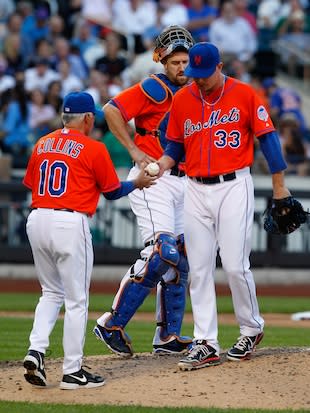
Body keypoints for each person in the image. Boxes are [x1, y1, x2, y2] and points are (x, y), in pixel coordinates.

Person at [158, 42, 292, 370]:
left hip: (234, 185)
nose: (198, 80)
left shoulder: (244, 94)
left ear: (219, 67)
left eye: (204, 74)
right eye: (194, 74)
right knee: (199, 269)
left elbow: (268, 137)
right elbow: (174, 144)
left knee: (234, 265)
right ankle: (206, 341)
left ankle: (250, 328)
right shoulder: (183, 99)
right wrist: (161, 165)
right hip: (194, 187)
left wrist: (279, 185)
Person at [22, 91, 156, 389]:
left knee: (50, 292)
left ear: (63, 117)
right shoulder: (93, 148)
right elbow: (111, 191)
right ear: (87, 118)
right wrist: (137, 183)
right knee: (77, 300)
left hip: (38, 218)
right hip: (70, 221)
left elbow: (31, 183)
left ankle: (36, 350)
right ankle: (72, 371)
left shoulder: (42, 143)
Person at [93, 25, 195, 357]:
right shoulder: (154, 86)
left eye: (186, 61)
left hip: (183, 180)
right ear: (164, 62)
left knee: (180, 260)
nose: (182, 67)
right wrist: (136, 152)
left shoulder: (198, 91)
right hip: (152, 180)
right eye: (176, 61)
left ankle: (168, 337)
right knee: (163, 251)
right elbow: (110, 109)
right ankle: (111, 321)